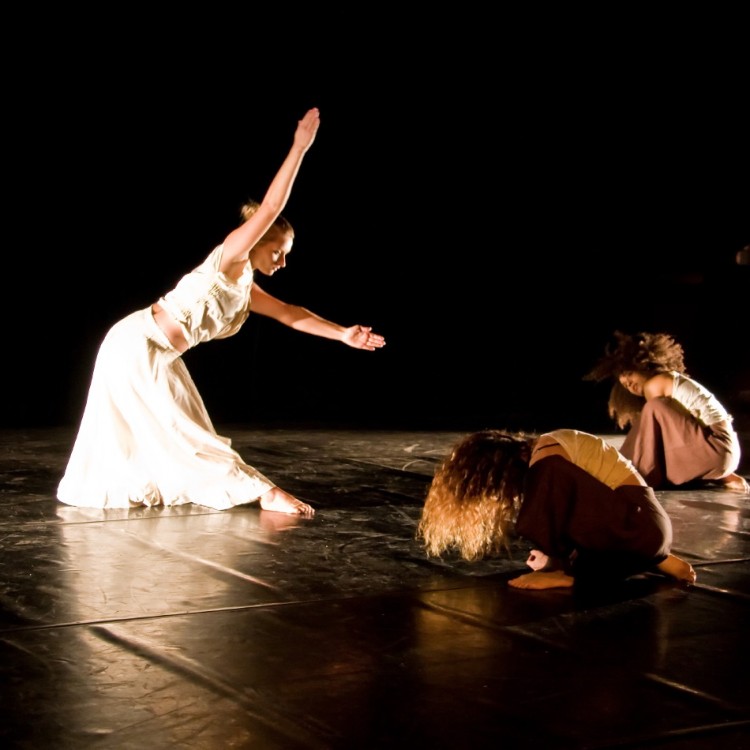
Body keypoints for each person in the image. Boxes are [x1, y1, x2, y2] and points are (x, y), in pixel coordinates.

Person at [58, 107, 385, 516]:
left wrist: (342, 333)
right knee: (185, 434)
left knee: (181, 433)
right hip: (136, 345)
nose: (283, 262)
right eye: (277, 252)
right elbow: (270, 207)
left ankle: (253, 490)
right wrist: (299, 148)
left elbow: (289, 313)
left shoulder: (244, 287)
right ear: (257, 241)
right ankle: (265, 492)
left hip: (157, 352)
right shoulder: (230, 258)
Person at [415, 428, 697, 590]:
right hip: (644, 529)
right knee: (544, 512)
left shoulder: (547, 456)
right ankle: (655, 558)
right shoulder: (551, 446)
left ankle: (569, 576)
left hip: (636, 524)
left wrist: (556, 561)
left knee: (538, 507)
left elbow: (549, 508)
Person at [584, 331, 748, 493]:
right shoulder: (669, 381)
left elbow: (655, 440)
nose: (628, 383)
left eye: (629, 374)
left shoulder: (656, 384)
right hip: (723, 453)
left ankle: (622, 471)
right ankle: (723, 475)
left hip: (715, 447)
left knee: (653, 412)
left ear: (644, 365)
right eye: (625, 384)